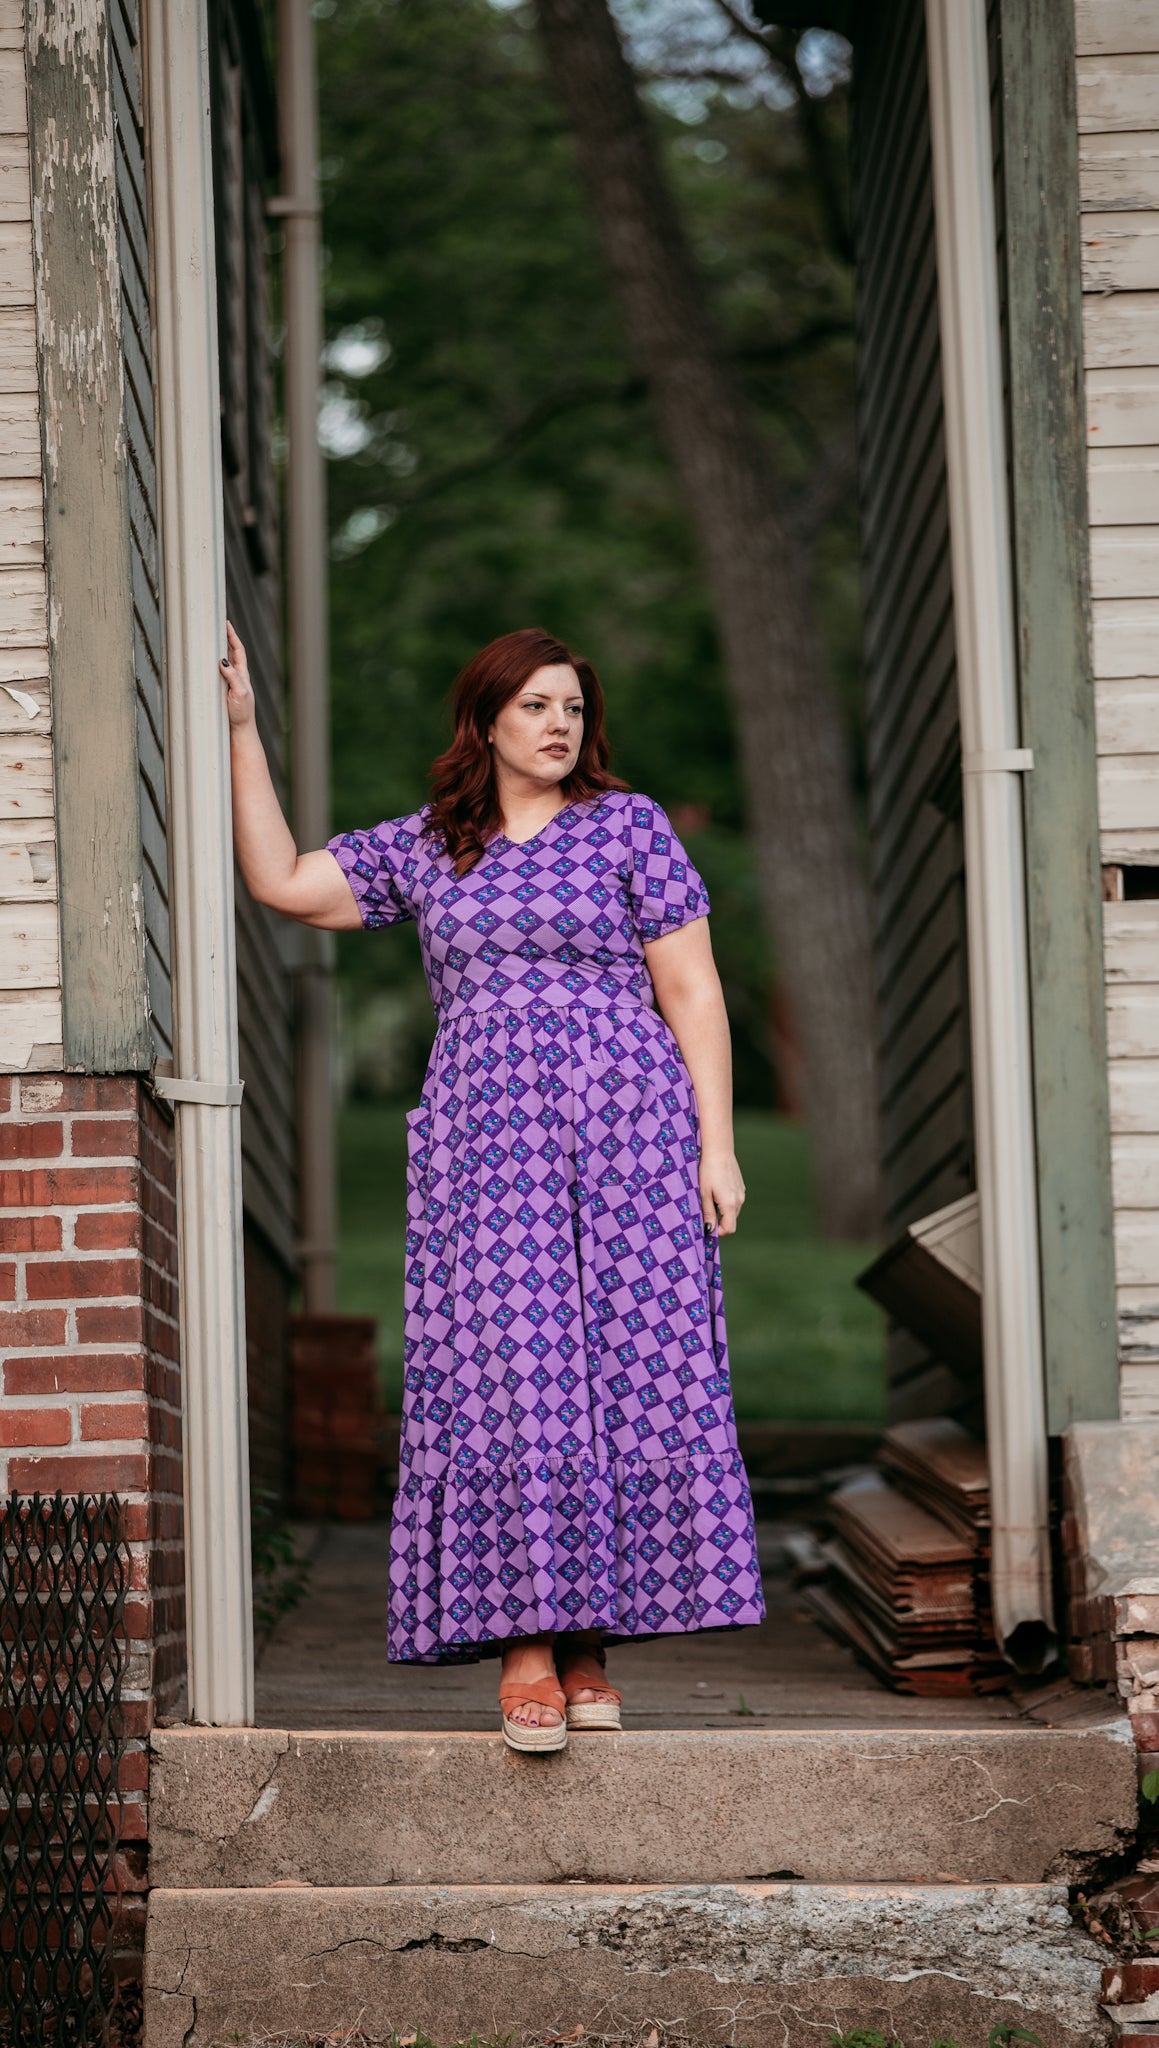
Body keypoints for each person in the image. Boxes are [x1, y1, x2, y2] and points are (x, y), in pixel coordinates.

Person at [222, 621, 764, 1752]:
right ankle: (525, 1640)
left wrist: (715, 1142)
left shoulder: (629, 827)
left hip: (628, 1120)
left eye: (571, 706)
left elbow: (695, 991)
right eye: (535, 706)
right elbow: (280, 881)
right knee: (514, 1369)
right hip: (490, 1137)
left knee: (622, 1365)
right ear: (486, 720)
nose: (559, 724)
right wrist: (238, 732)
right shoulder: (430, 845)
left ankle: (589, 1647)